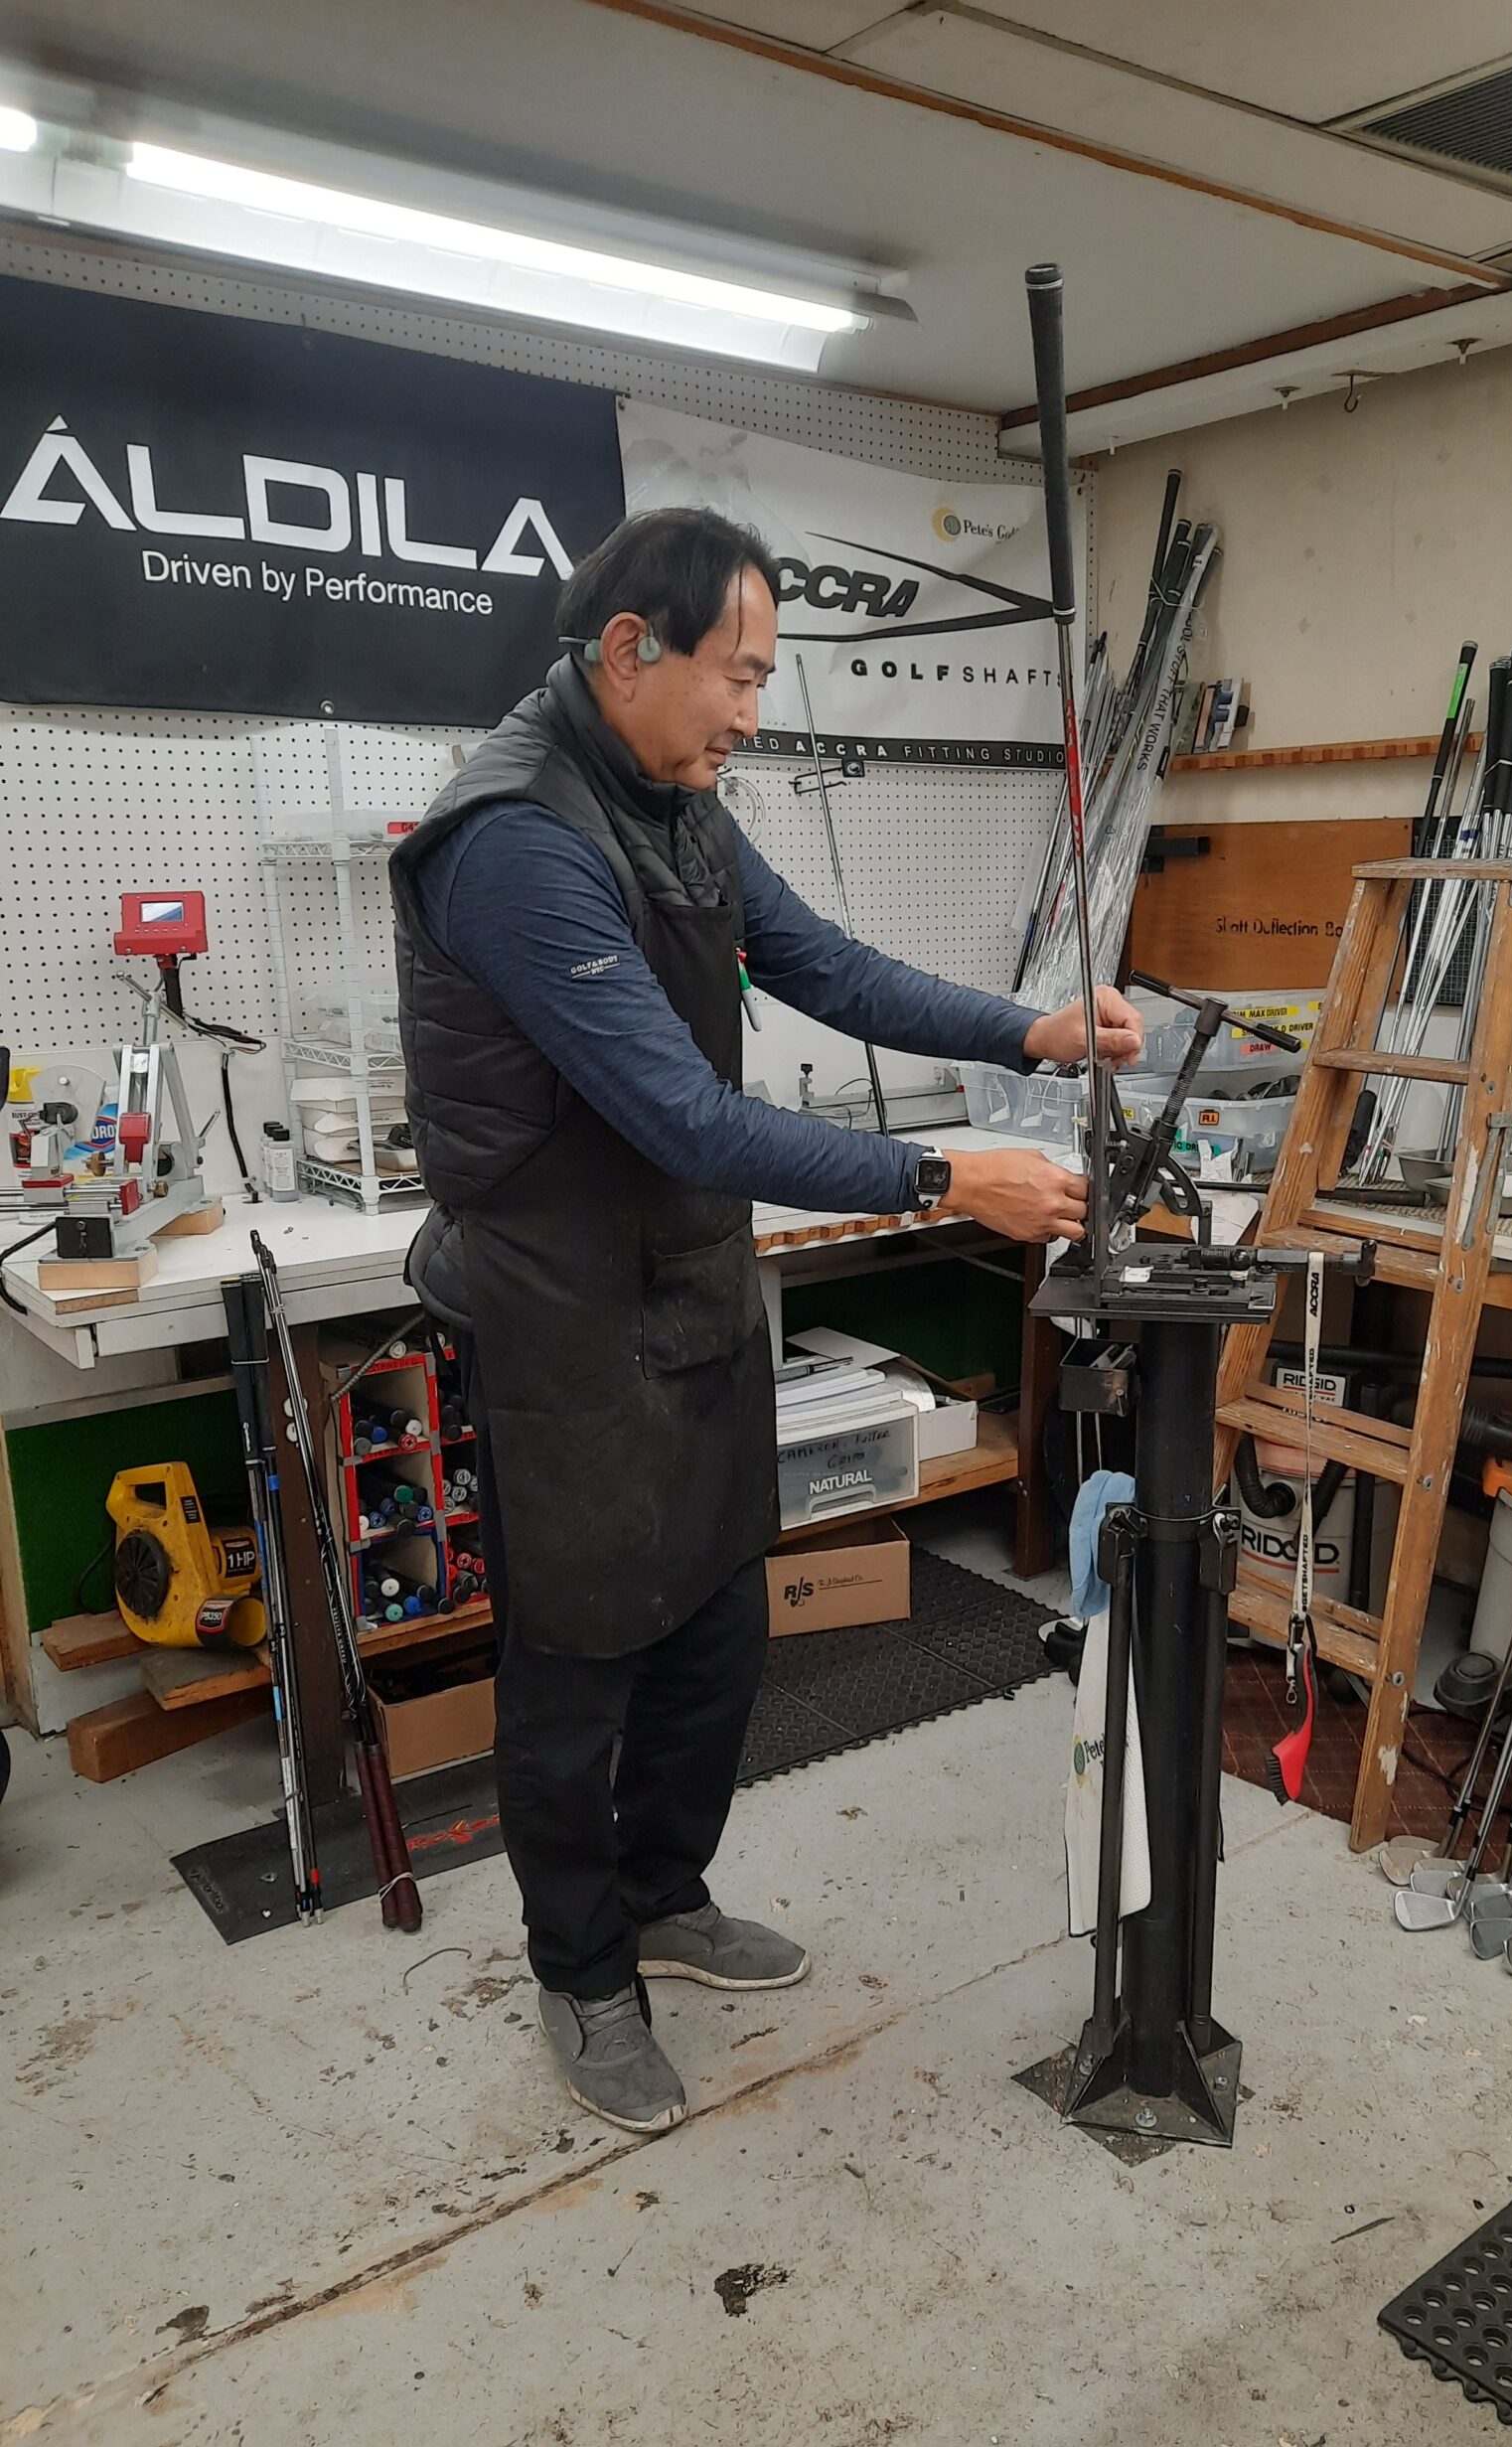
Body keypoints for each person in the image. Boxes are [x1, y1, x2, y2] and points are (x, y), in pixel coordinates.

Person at [390, 506, 1140, 2135]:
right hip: (560, 1324)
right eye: (735, 675)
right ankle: (583, 1972)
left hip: (692, 1290)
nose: (752, 711)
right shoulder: (514, 840)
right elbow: (685, 1117)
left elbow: (828, 968)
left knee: (716, 1631)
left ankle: (664, 1894)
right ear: (627, 652)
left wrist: (1033, 1032)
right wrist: (948, 1177)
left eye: (762, 677)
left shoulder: (678, 803)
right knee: (578, 1665)